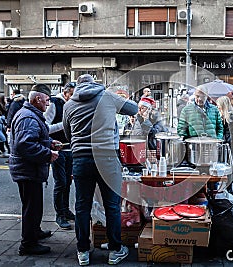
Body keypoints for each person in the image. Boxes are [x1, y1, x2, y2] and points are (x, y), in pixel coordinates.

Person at [63, 74, 138, 265]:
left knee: (82, 206)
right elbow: (134, 109)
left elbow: (67, 133)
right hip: (107, 157)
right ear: (94, 84)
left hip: (81, 158)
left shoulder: (68, 105)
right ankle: (115, 251)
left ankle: (83, 252)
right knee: (112, 206)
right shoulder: (107, 96)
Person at [9, 84, 60, 255]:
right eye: (47, 100)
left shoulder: (30, 115)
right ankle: (28, 244)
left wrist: (49, 143)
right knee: (31, 207)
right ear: (38, 99)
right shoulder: (28, 117)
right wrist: (47, 154)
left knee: (34, 206)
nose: (48, 103)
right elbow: (25, 145)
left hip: (29, 170)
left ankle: (34, 232)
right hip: (28, 170)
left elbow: (32, 139)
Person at [44, 82, 76, 230]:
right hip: (58, 150)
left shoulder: (73, 105)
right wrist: (64, 125)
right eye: (73, 95)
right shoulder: (54, 104)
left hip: (70, 149)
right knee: (60, 183)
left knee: (68, 182)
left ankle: (65, 210)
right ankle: (60, 215)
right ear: (65, 93)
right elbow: (46, 128)